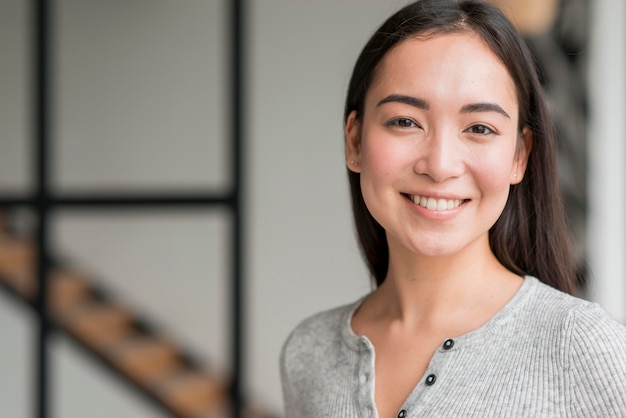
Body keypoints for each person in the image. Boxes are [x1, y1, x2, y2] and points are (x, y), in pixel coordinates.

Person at [280, 0, 626, 417]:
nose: (440, 165)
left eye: (479, 128)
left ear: (520, 154)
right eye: (405, 121)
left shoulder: (583, 347)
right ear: (354, 141)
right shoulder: (309, 354)